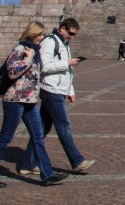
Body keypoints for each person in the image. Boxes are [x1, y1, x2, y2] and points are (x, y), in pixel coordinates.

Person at [0, 21, 69, 188]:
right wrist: (28, 58)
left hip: (30, 101)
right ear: (32, 34)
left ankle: (47, 174)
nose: (42, 37)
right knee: (6, 137)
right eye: (40, 34)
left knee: (38, 136)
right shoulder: (20, 49)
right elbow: (12, 73)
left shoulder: (36, 51)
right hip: (15, 100)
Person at [22, 18, 94, 176]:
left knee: (41, 128)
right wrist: (67, 62)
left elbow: (67, 72)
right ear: (62, 28)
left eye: (74, 34)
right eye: (70, 33)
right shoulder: (50, 42)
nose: (72, 37)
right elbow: (44, 66)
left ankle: (28, 163)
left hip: (58, 90)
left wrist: (71, 90)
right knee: (63, 125)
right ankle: (77, 161)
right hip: (50, 90)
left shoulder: (64, 43)